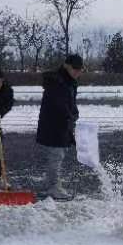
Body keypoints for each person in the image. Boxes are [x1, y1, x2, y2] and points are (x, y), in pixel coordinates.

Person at [36, 54, 82, 200]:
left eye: (80, 69)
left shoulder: (69, 81)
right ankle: (53, 187)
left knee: (56, 156)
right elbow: (59, 105)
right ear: (66, 66)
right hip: (54, 125)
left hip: (61, 124)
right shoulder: (57, 81)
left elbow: (70, 103)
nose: (78, 72)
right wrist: (70, 116)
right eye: (75, 69)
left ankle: (50, 184)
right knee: (56, 156)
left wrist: (74, 114)